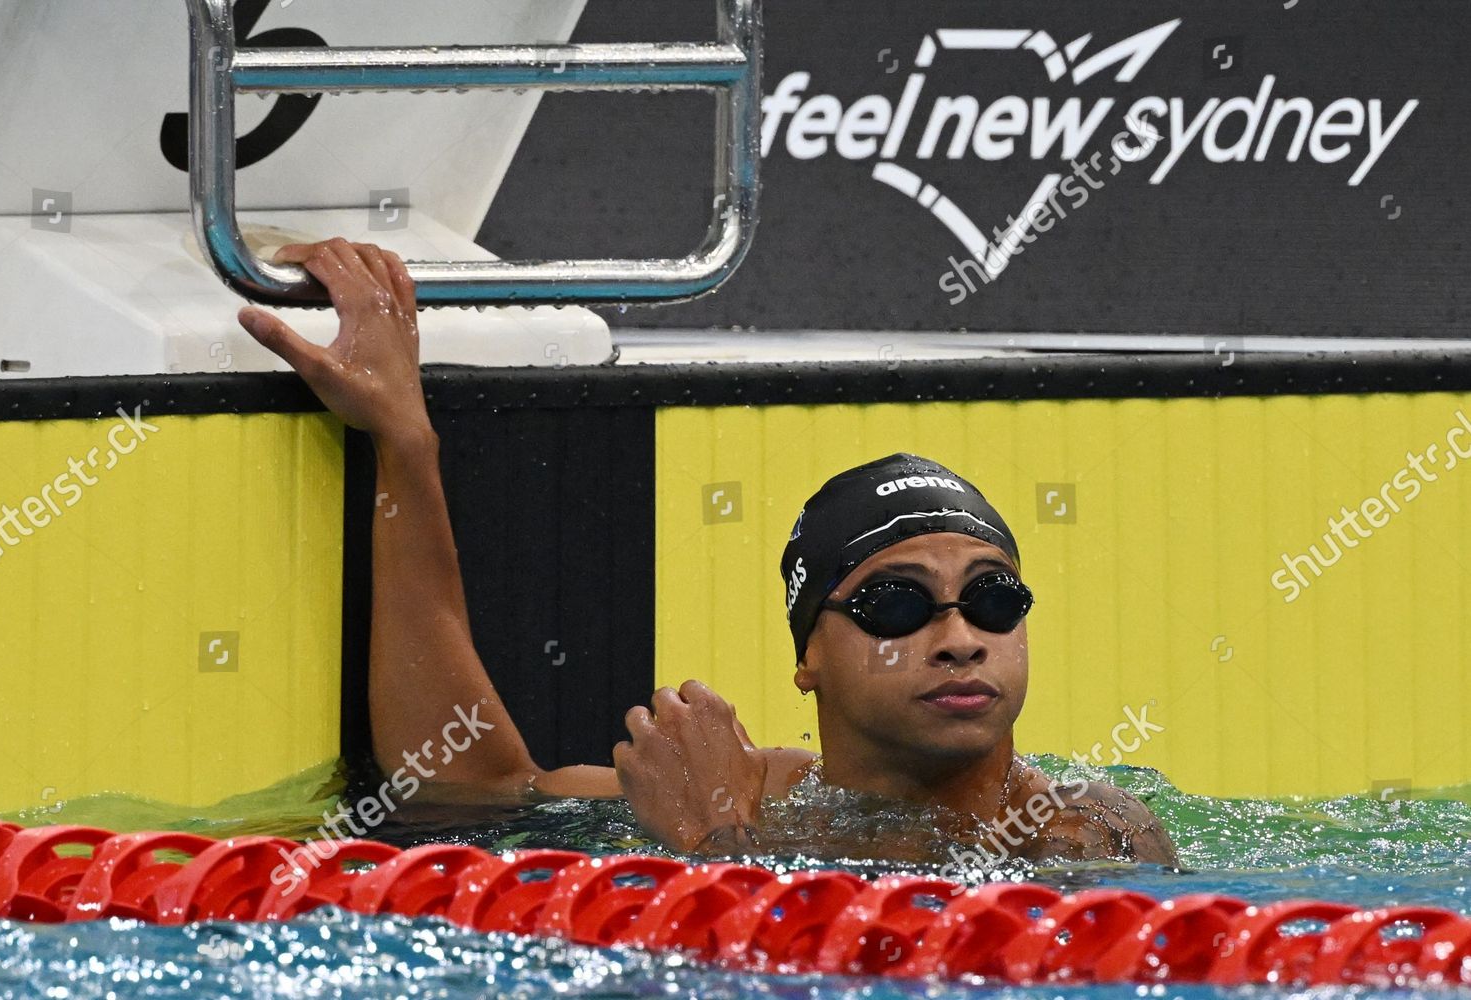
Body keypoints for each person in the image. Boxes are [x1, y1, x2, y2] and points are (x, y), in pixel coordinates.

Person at [238, 238, 1179, 867]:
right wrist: (405, 443)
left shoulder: (1086, 834)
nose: (960, 635)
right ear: (809, 656)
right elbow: (458, 787)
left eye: (992, 600)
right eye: (896, 603)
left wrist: (716, 843)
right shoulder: (766, 789)